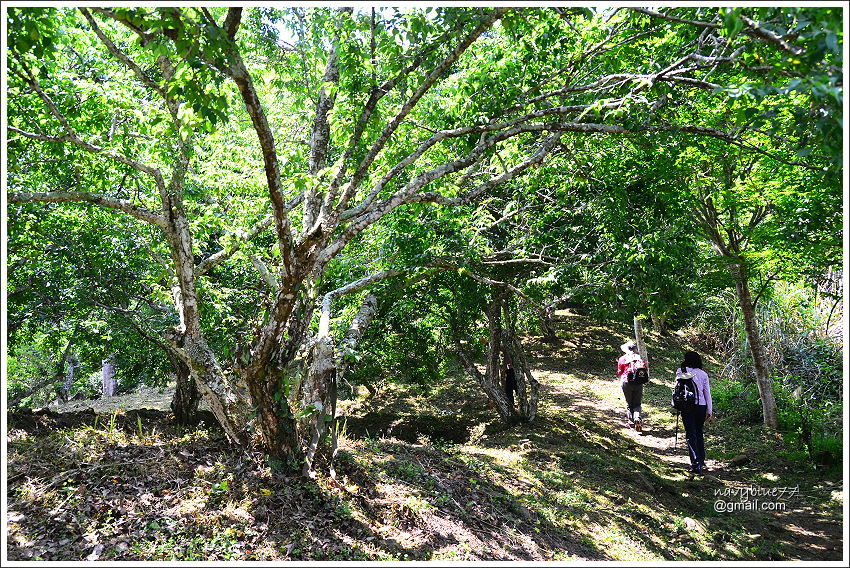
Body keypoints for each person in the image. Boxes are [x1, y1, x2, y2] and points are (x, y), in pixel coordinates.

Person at [677, 350, 713, 475]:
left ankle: (696, 464)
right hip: (701, 407)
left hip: (687, 406)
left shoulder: (680, 371)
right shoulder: (703, 374)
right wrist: (709, 410)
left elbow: (678, 387)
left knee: (690, 434)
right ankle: (701, 460)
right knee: (698, 433)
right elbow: (707, 393)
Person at [617, 340, 646, 431]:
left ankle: (631, 423)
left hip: (626, 382)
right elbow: (644, 370)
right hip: (638, 383)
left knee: (630, 404)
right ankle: (637, 418)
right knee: (637, 403)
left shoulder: (623, 359)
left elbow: (620, 372)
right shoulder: (639, 358)